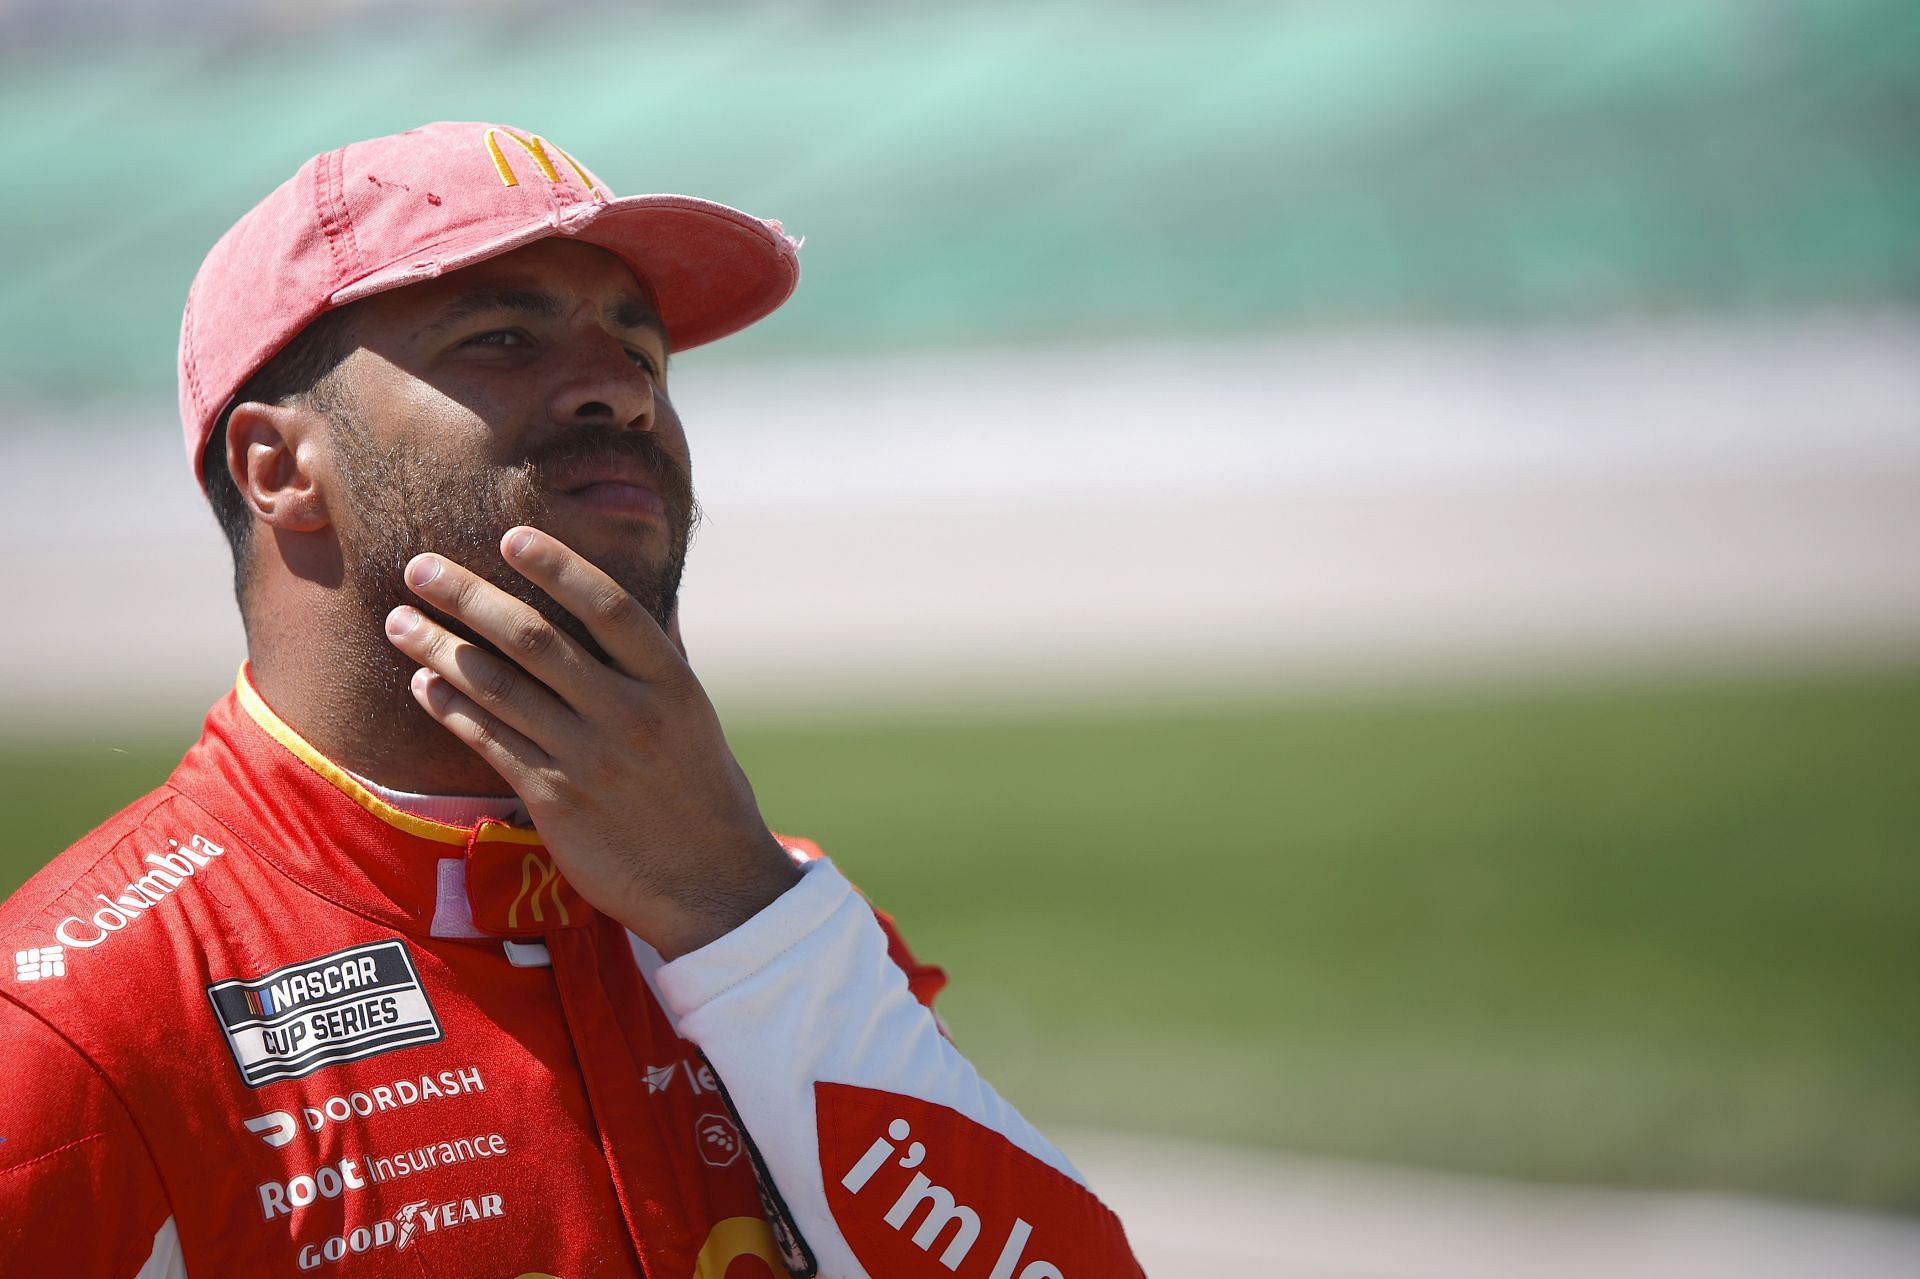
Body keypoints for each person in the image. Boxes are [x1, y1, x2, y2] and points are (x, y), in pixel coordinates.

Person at [0, 122, 1141, 1278]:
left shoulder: (764, 911)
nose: (622, 393)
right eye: (502, 336)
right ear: (279, 468)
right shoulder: (75, 1026)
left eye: (640, 354)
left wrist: (739, 911)